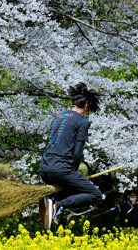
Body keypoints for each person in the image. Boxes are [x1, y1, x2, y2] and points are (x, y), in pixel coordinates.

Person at [37, 82, 104, 231]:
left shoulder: (59, 116)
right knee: (96, 195)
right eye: (90, 110)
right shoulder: (82, 121)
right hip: (62, 170)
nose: (88, 113)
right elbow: (77, 152)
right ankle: (57, 205)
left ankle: (51, 200)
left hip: (45, 169)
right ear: (86, 105)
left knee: (74, 188)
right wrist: (72, 172)